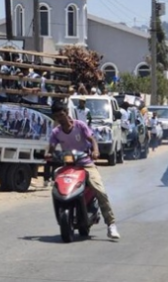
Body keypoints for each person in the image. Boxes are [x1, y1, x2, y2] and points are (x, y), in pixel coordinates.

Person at [47, 101, 120, 239]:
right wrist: (48, 155)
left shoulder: (80, 125)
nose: (60, 119)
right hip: (68, 166)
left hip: (86, 164)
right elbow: (50, 148)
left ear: (67, 113)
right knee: (56, 187)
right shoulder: (56, 132)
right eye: (57, 116)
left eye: (61, 115)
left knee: (100, 191)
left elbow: (92, 139)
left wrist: (96, 151)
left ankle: (111, 224)